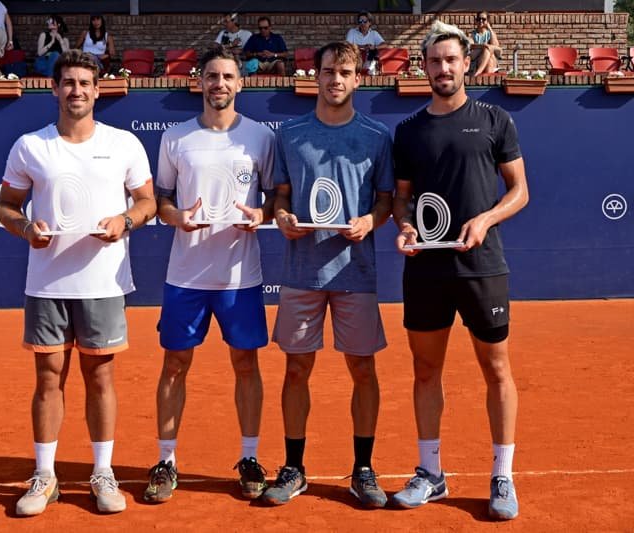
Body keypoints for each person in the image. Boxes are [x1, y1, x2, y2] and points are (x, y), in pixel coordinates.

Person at [0, 50, 157, 516]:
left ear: (97, 89)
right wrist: (26, 229)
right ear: (54, 89)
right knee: (48, 378)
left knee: (100, 377)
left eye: (85, 83)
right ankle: (45, 476)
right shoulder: (30, 146)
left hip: (103, 283)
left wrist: (124, 221)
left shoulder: (124, 144)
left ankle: (102, 473)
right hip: (46, 285)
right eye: (68, 82)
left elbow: (146, 202)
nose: (77, 90)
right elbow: (6, 207)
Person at [390, 21, 529, 520]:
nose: (443, 68)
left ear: (466, 63)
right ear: (423, 67)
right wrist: (405, 230)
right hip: (426, 270)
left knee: (496, 370)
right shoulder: (407, 131)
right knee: (425, 370)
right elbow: (402, 201)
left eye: (451, 60)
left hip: (481, 266)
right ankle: (431, 473)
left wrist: (486, 217)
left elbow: (519, 191)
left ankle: (502, 476)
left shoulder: (495, 120)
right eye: (434, 61)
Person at [262, 41, 393, 509]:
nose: (335, 80)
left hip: (356, 273)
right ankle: (294, 467)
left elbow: (385, 202)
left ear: (358, 79)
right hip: (302, 272)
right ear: (313, 76)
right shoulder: (290, 134)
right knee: (297, 368)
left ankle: (363, 468)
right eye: (328, 71)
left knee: (362, 368)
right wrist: (281, 217)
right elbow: (279, 196)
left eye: (344, 72)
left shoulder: (377, 136)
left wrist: (370, 222)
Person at [143, 45, 276, 504]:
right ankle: (166, 460)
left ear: (241, 83)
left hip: (241, 276)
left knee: (246, 364)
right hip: (186, 275)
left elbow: (276, 197)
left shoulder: (260, 137)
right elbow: (160, 199)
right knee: (174, 365)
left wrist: (261, 213)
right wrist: (177, 218)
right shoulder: (176, 138)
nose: (219, 84)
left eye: (228, 77)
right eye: (212, 76)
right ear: (199, 82)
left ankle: (251, 456)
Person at [469, 11, 502, 76]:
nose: (481, 21)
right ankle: (482, 77)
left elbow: (496, 46)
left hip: (491, 62)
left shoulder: (490, 33)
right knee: (487, 50)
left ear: (487, 21)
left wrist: (489, 28)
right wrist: (483, 46)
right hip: (478, 60)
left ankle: (478, 74)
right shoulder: (472, 34)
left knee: (489, 56)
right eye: (479, 19)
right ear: (476, 21)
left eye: (483, 19)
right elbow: (470, 45)